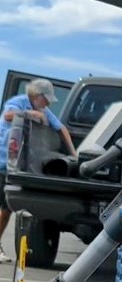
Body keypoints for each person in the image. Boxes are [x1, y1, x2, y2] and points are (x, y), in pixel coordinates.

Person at [0, 79, 77, 263]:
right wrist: (29, 113)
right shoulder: (19, 102)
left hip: (13, 166)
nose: (48, 103)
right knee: (4, 208)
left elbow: (61, 127)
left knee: (6, 209)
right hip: (2, 161)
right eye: (46, 99)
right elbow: (7, 116)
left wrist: (73, 152)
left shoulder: (44, 110)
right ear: (36, 95)